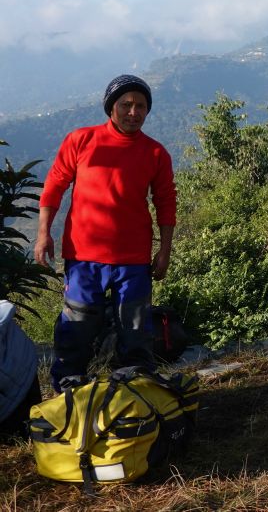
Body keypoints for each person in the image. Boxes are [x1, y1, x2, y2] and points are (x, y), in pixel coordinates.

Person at [35, 75, 176, 392]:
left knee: (136, 332)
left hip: (134, 260)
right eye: (126, 104)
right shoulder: (81, 140)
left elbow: (166, 203)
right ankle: (68, 397)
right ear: (110, 107)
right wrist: (44, 233)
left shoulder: (155, 153)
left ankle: (136, 397)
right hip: (84, 257)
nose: (133, 112)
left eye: (140, 106)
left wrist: (164, 250)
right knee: (77, 328)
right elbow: (54, 186)